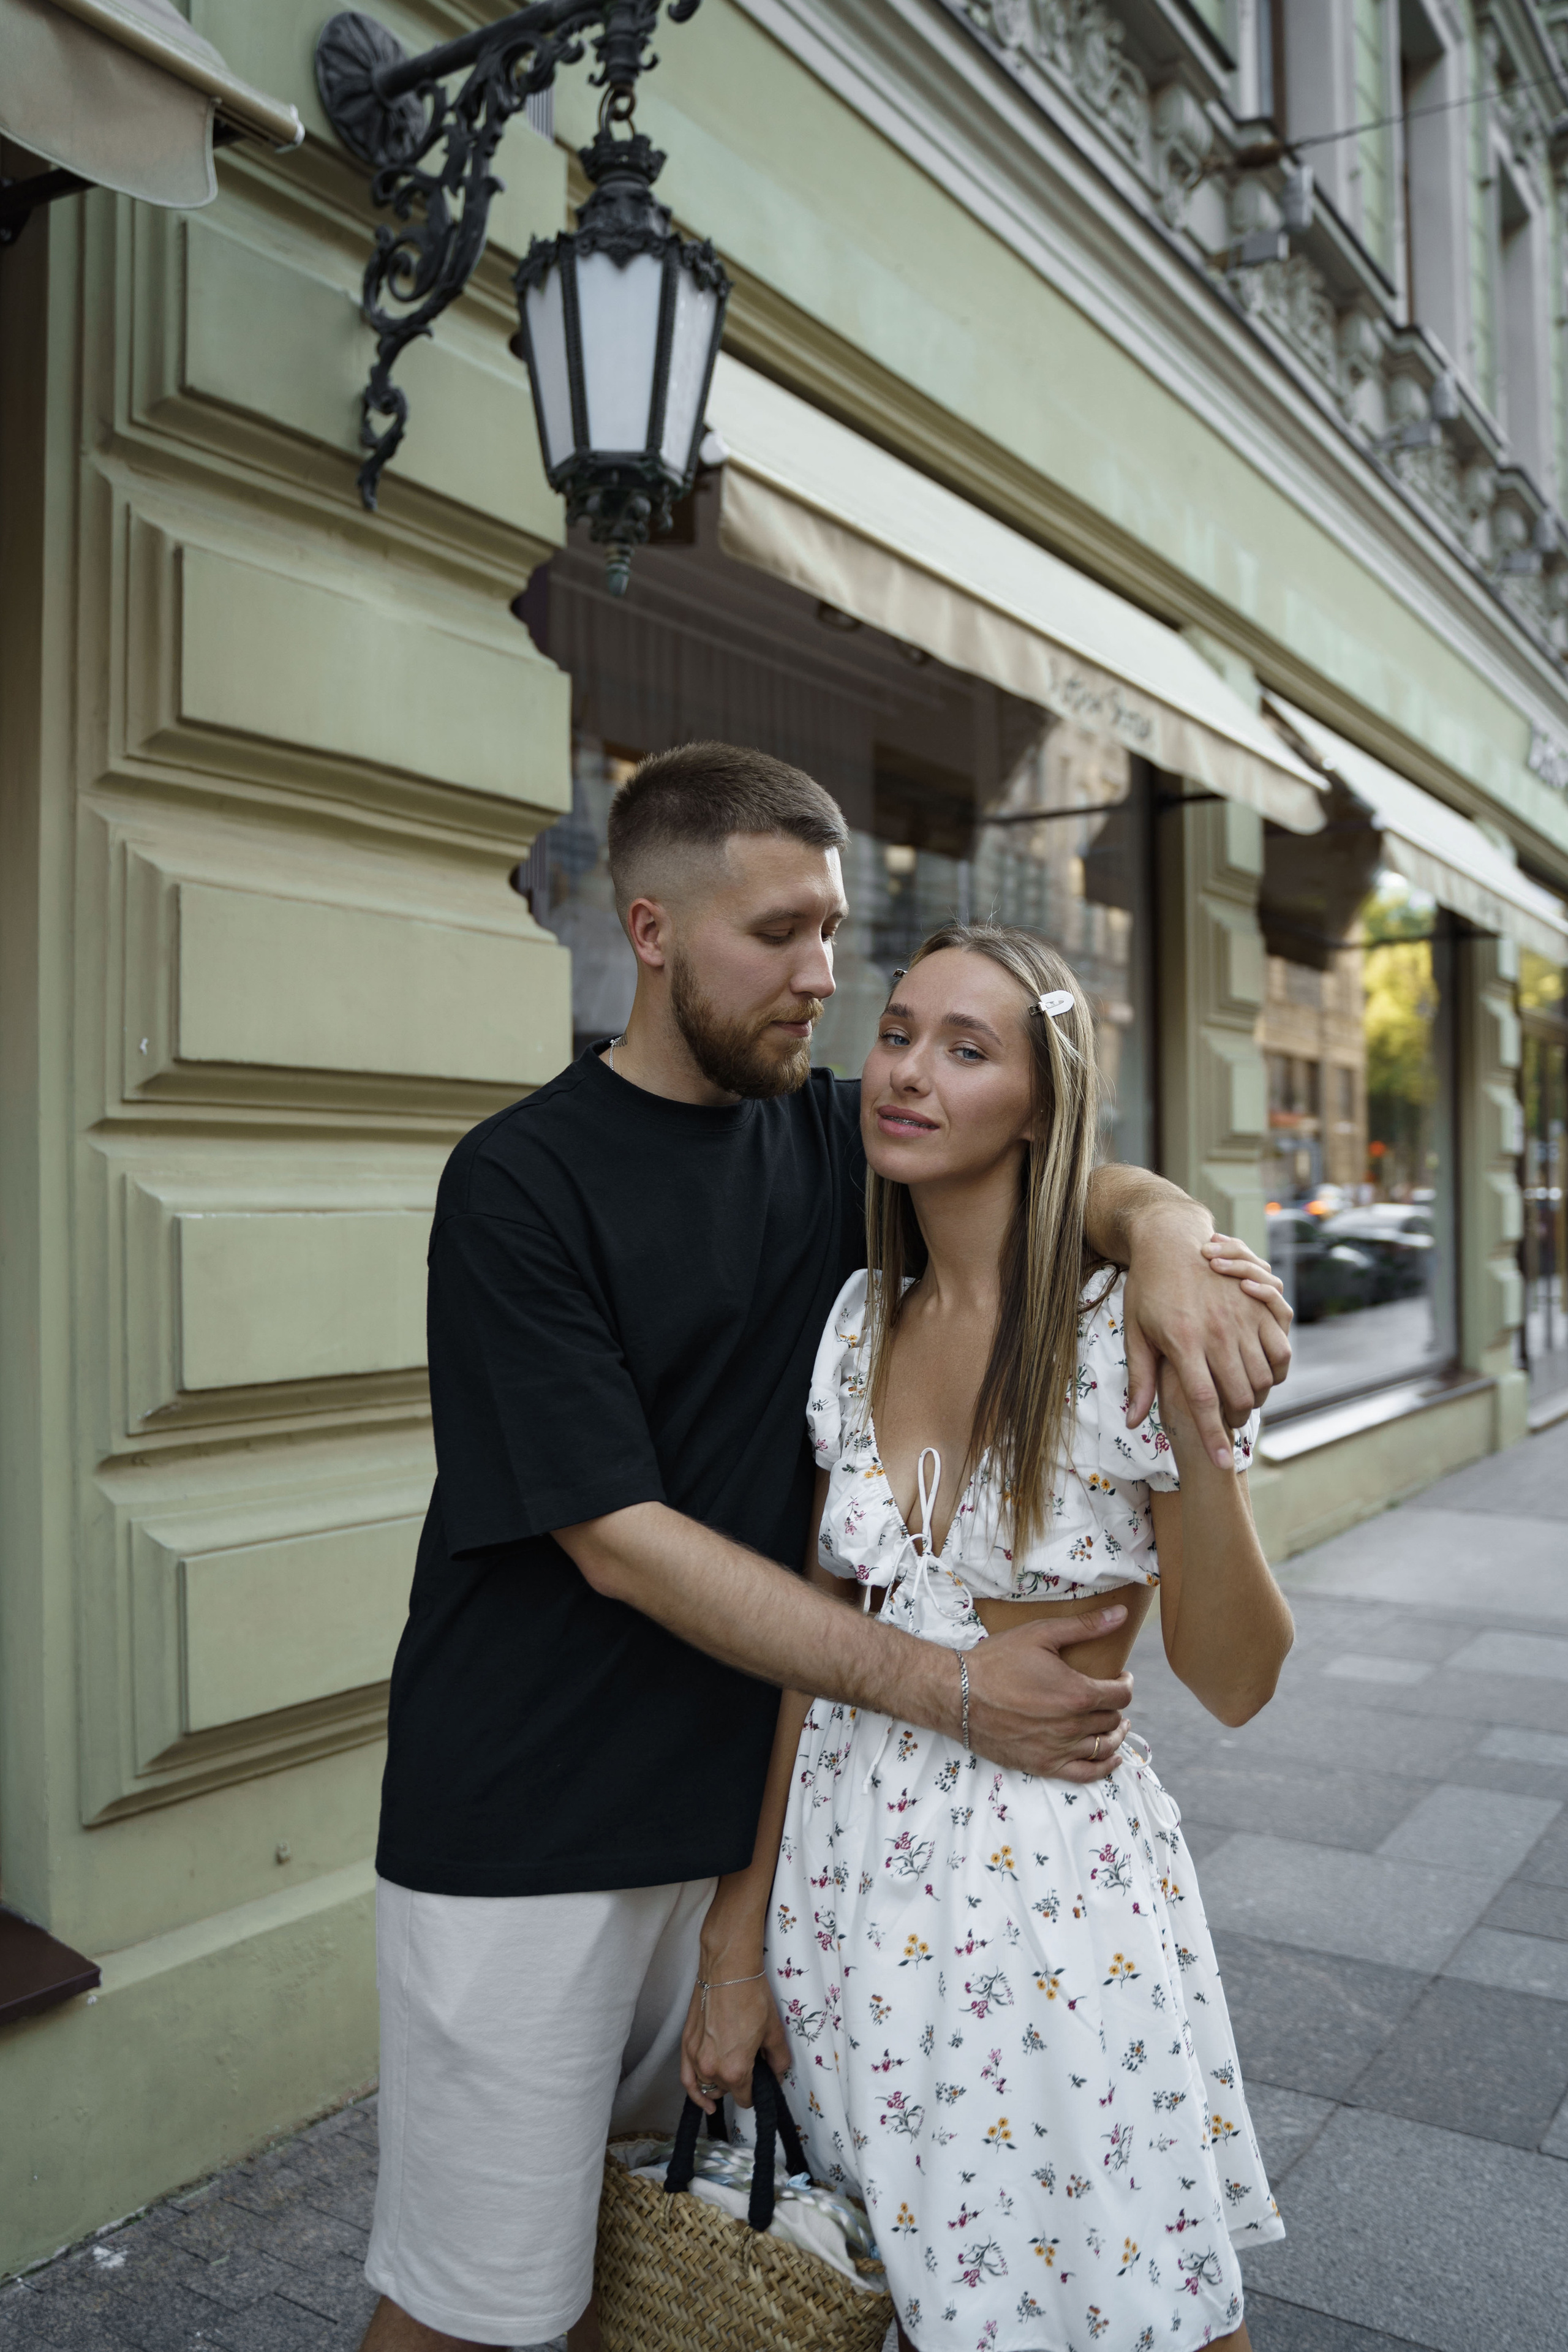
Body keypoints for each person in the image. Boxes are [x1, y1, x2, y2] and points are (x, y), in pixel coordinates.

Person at [358, 745, 1292, 2352]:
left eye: (835, 933)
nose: (828, 983)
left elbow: (1055, 1153)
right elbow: (622, 1544)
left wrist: (1162, 1235)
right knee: (479, 2301)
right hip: (541, 1825)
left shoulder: (838, 1139)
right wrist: (948, 1688)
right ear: (652, 932)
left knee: (696, 2273)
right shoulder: (520, 1183)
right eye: (779, 934)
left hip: (786, 1843)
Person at [680, 923, 1295, 2352]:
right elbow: (814, 1648)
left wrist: (1198, 1423)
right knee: (897, 2290)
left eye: (966, 1050)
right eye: (898, 1032)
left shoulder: (1122, 1328)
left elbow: (1236, 1680)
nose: (905, 1072)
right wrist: (737, 1933)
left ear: (1040, 1101)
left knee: (1127, 2299)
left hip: (1040, 1896)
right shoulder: (855, 1323)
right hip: (840, 1878)